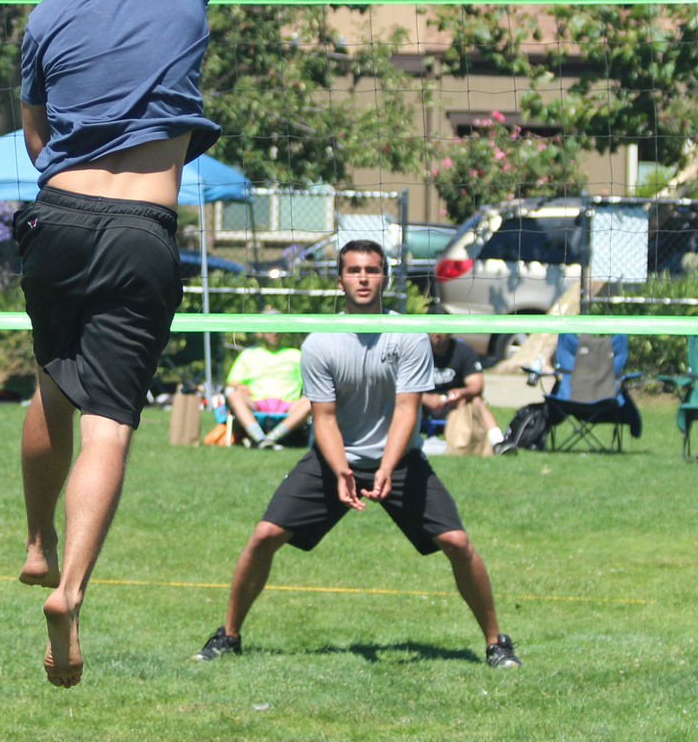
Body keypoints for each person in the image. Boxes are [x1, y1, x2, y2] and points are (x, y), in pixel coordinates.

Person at [13, 0, 242, 687]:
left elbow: (35, 139)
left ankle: (37, 541)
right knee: (108, 425)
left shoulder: (46, 12)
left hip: (56, 219)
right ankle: (70, 590)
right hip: (141, 228)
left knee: (52, 383)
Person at [192, 239, 521, 669]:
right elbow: (324, 418)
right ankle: (229, 635)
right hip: (334, 459)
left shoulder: (408, 335)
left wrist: (386, 466)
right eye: (354, 270)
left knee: (457, 542)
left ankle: (496, 643)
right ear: (340, 280)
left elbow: (407, 410)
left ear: (385, 278)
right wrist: (342, 470)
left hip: (399, 460)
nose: (363, 278)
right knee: (264, 536)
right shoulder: (320, 343)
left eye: (372, 270)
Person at [224, 311, 312, 449]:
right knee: (234, 395)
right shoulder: (248, 355)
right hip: (256, 402)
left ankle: (269, 439)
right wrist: (238, 386)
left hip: (289, 405)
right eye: (270, 328)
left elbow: (312, 381)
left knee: (311, 401)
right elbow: (231, 382)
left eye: (279, 328)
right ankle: (259, 437)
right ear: (259, 332)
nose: (275, 332)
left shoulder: (296, 354)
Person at [424, 330, 511, 455]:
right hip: (424, 405)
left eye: (440, 329)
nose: (436, 334)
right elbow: (403, 384)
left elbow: (476, 384)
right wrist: (425, 398)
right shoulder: (418, 351)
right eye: (432, 329)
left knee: (476, 400)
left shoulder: (463, 351)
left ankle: (498, 442)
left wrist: (462, 393)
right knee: (407, 399)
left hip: (456, 405)